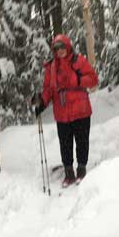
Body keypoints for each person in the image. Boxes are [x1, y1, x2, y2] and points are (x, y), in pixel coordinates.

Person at [31, 34, 98, 187]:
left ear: (67, 46)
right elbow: (48, 89)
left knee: (82, 141)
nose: (60, 50)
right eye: (56, 48)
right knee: (65, 143)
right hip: (62, 112)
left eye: (62, 47)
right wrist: (41, 101)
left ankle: (81, 171)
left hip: (81, 110)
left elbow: (93, 79)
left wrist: (78, 80)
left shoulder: (78, 60)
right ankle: (69, 174)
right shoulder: (51, 67)